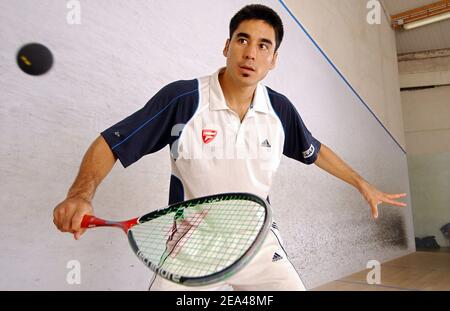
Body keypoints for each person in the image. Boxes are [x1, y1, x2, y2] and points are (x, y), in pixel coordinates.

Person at [53, 4, 407, 291]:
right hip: (189, 246)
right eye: (242, 40)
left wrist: (362, 183)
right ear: (227, 46)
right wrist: (80, 194)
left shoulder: (279, 110)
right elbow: (112, 143)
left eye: (263, 45)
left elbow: (314, 150)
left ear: (273, 59)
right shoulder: (183, 99)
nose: (250, 53)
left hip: (258, 242)